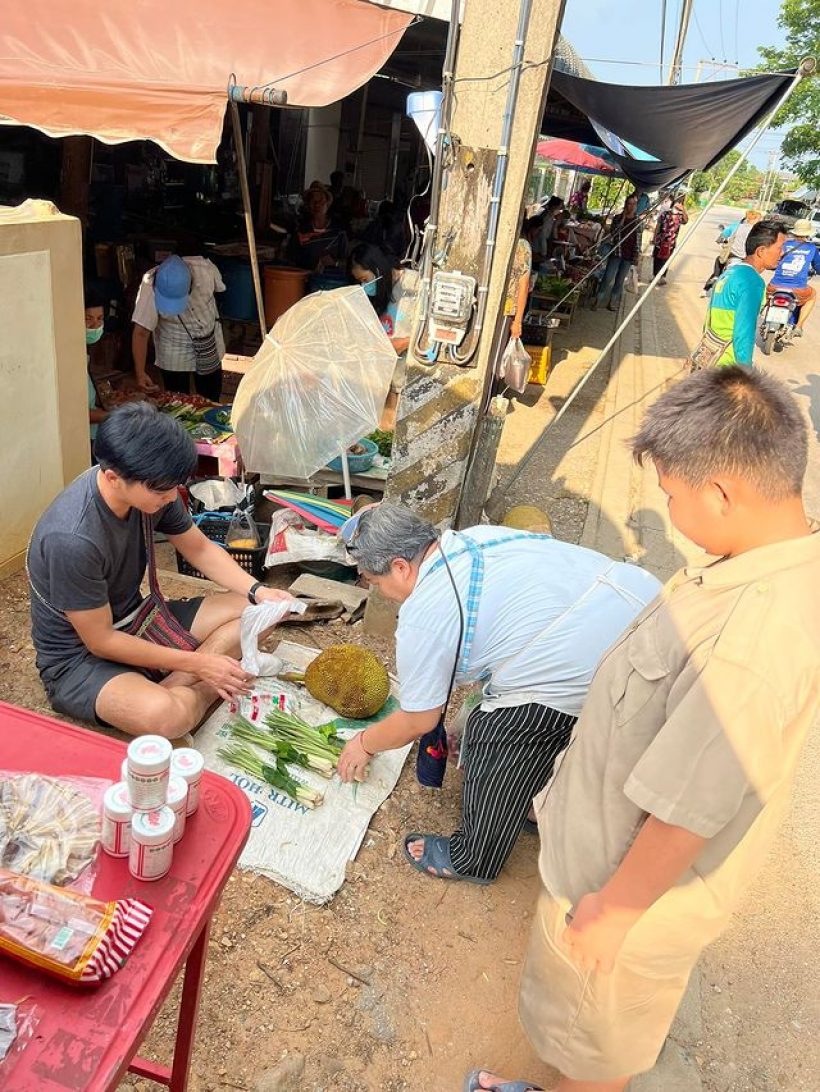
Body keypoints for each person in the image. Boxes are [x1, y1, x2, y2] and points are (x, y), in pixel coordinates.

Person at [473, 366, 819, 1092]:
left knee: (595, 1045)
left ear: (722, 492)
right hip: (607, 861)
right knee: (580, 1031)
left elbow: (691, 805)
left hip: (626, 889)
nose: (667, 508)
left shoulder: (753, 638)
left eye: (670, 493)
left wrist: (613, 910)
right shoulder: (748, 565)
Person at [334, 503, 660, 884]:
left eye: (374, 582)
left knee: (499, 729)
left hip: (604, 663)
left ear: (401, 567)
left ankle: (474, 857)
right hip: (646, 609)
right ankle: (539, 796)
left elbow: (420, 719)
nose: (381, 593)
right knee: (503, 708)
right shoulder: (473, 539)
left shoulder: (424, 612)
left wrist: (364, 743)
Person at [27, 402, 293, 738]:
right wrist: (200, 664)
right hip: (80, 659)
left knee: (265, 610)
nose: (171, 497)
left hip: (140, 619)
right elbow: (101, 640)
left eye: (174, 487)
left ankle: (179, 682)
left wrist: (259, 590)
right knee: (167, 717)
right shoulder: (72, 538)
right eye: (162, 490)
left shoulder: (154, 490)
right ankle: (207, 684)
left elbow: (198, 548)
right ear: (113, 477)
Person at [132, 254, 226, 402]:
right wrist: (140, 373)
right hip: (173, 348)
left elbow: (219, 290)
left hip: (208, 340)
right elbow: (141, 333)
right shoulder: (150, 284)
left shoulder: (205, 269)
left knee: (211, 399)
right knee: (177, 403)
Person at [349, 243, 420, 427]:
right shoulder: (381, 293)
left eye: (365, 279)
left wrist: (405, 342)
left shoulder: (414, 285)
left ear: (377, 269)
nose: (364, 286)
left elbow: (427, 330)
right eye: (360, 282)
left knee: (395, 425)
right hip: (383, 378)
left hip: (405, 378)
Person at [703, 219, 785, 366]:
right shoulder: (752, 282)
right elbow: (744, 334)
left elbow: (709, 319)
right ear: (761, 251)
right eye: (780, 248)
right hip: (728, 364)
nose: (782, 253)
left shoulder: (730, 272)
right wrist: (745, 373)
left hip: (710, 357)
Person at [765, 217, 820, 337]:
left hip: (775, 286)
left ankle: (764, 316)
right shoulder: (812, 248)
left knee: (767, 296)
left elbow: (774, 259)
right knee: (812, 295)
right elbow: (818, 266)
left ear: (794, 232)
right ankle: (799, 326)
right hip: (798, 289)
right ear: (808, 233)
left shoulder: (784, 244)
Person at [593, 193, 639, 312]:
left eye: (634, 204)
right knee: (608, 277)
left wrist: (636, 255)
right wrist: (623, 219)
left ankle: (613, 301)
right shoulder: (618, 218)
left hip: (628, 256)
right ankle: (598, 299)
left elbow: (638, 240)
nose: (632, 206)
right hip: (617, 252)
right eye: (630, 204)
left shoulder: (638, 221)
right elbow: (613, 233)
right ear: (625, 205)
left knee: (620, 280)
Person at [287, 180, 348, 271]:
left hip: (331, 281)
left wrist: (335, 263)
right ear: (308, 205)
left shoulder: (339, 232)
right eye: (313, 201)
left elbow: (348, 265)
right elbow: (290, 261)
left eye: (321, 200)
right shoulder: (300, 231)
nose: (317, 205)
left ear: (327, 204)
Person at [84, 283, 109, 454]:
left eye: (100, 318)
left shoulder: (83, 351)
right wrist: (112, 416)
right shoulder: (69, 359)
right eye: (88, 318)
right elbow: (76, 413)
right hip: (84, 439)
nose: (95, 325)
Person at [652, 195, 689, 282]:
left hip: (671, 242)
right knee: (657, 258)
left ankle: (662, 277)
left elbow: (686, 221)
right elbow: (658, 225)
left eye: (680, 204)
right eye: (676, 204)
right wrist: (654, 237)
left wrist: (683, 210)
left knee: (666, 260)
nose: (677, 206)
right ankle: (655, 276)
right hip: (660, 240)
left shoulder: (680, 217)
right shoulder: (665, 214)